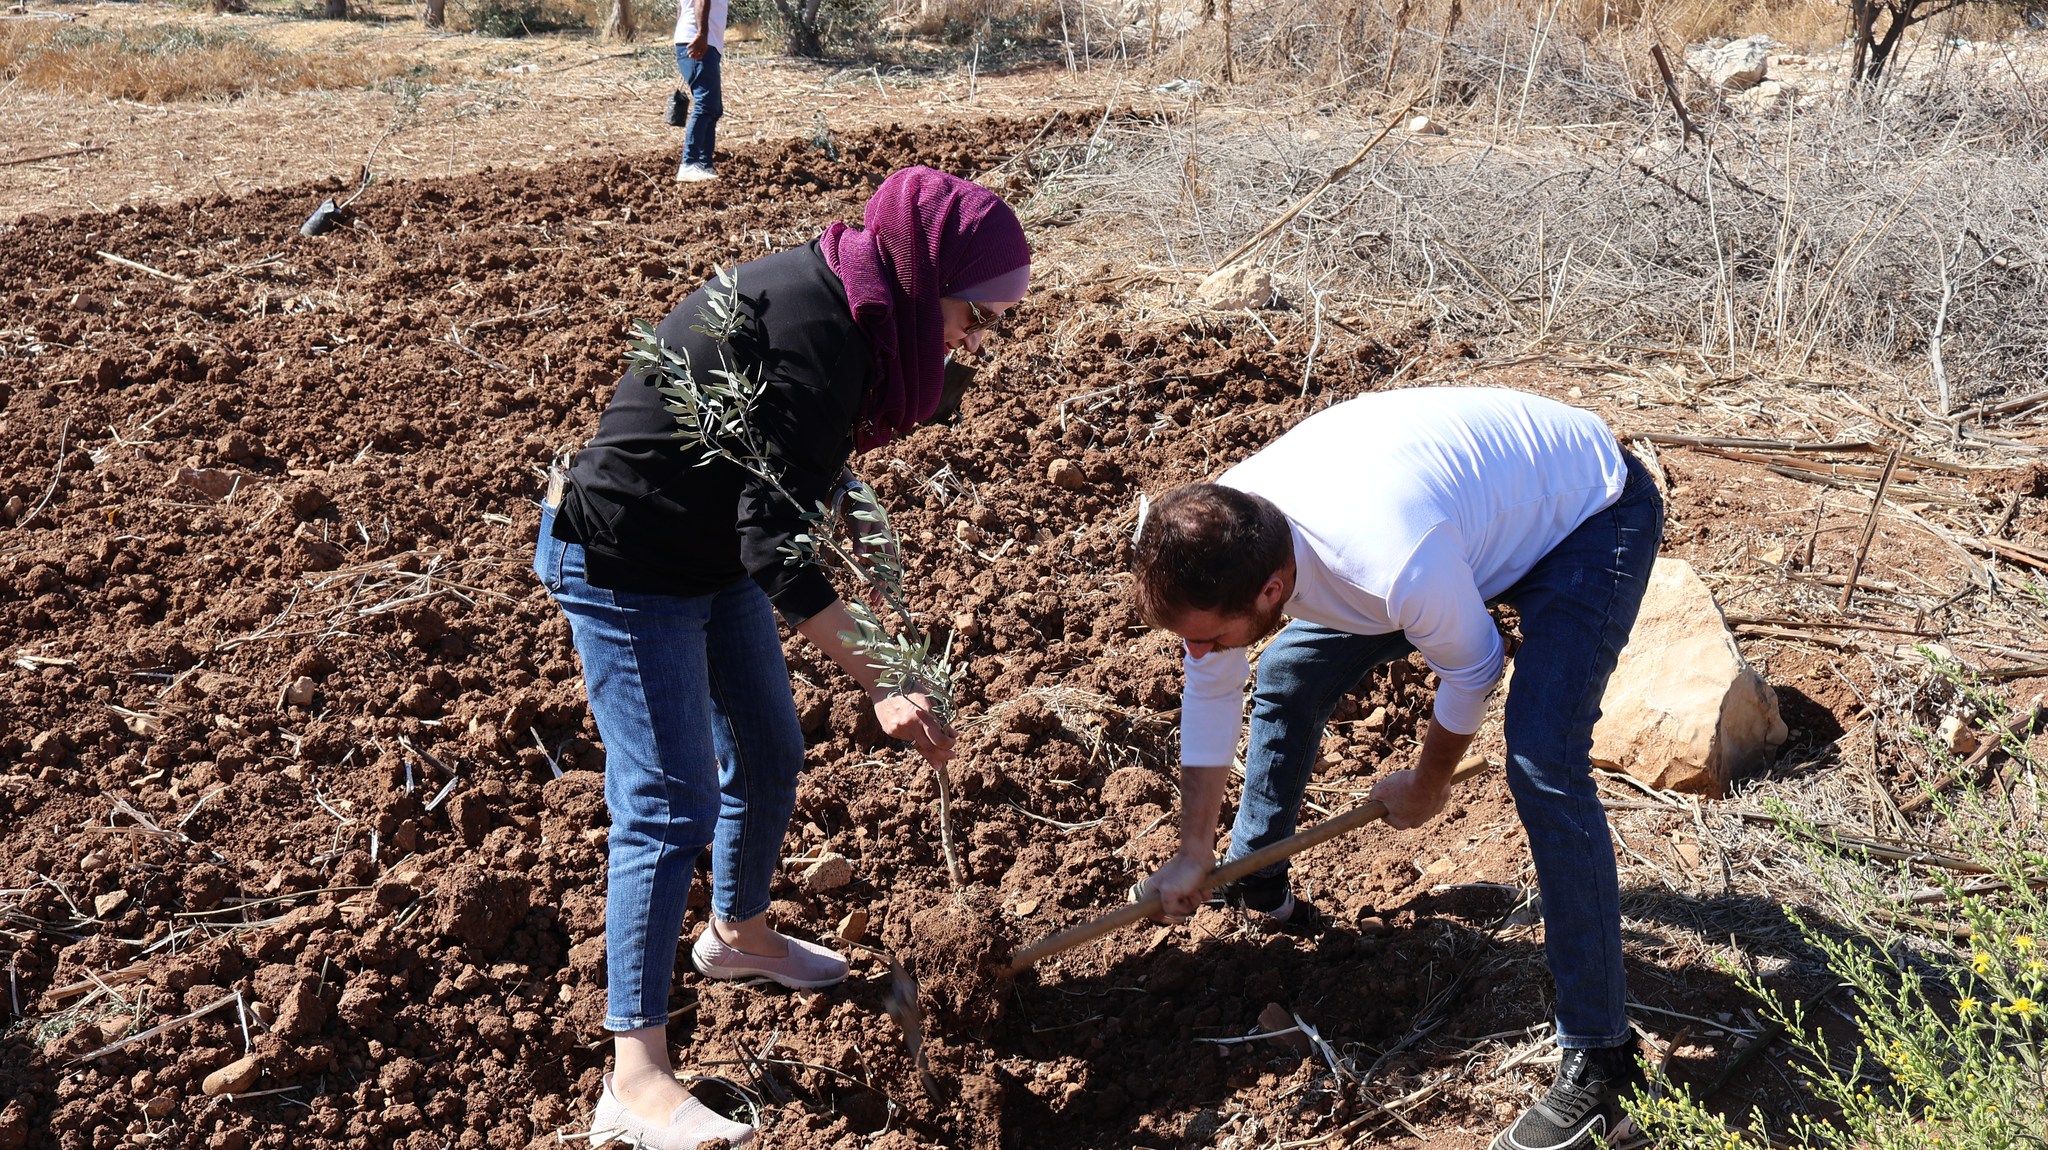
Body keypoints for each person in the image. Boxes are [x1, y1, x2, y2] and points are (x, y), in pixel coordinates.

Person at [535, 166, 1030, 1149]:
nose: (978, 339)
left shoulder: (858, 304)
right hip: (627, 558)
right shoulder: (820, 335)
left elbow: (781, 464)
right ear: (927, 275)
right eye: (974, 314)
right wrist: (883, 678)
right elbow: (774, 550)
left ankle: (737, 933)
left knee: (767, 748)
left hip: (702, 547)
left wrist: (854, 519)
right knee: (667, 800)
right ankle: (632, 1080)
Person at [1130, 386, 1664, 1150]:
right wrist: (1192, 851)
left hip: (1587, 515)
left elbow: (1477, 664)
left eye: (1211, 637)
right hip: (1465, 526)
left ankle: (1604, 1069)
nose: (1204, 652)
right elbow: (1214, 686)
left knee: (1542, 758)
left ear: (1273, 589)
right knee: (1287, 674)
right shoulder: (1230, 532)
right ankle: (1258, 874)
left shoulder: (1389, 561)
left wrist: (1427, 783)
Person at [672, 0, 725, 182]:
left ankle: (704, 164)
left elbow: (681, 7)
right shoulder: (702, 38)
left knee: (713, 107)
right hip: (700, 42)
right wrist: (702, 34)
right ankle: (690, 163)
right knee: (705, 104)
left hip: (697, 41)